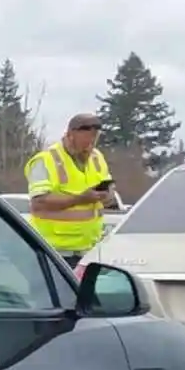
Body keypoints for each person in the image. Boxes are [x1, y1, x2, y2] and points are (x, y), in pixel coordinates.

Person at [25, 112, 120, 273]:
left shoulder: (97, 157)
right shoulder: (45, 160)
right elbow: (38, 203)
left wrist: (107, 195)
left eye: (93, 140)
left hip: (89, 249)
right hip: (54, 250)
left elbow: (107, 186)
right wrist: (80, 199)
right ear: (70, 136)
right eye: (85, 142)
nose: (89, 147)